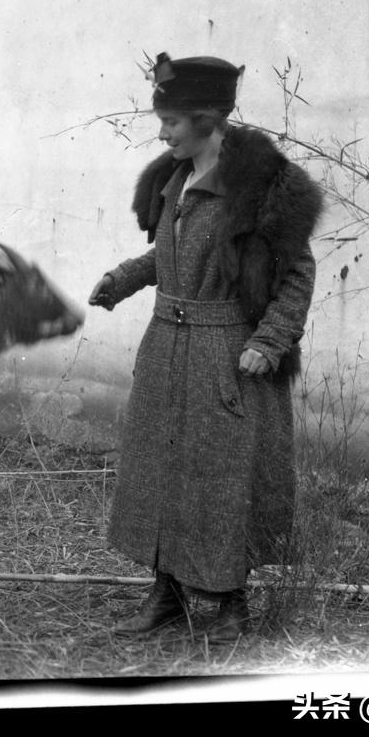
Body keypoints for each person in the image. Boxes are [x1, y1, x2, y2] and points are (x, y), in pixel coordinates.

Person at [89, 52, 323, 640]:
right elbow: (171, 254)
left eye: (171, 120)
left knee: (223, 481)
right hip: (166, 347)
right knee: (162, 471)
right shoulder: (175, 179)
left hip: (229, 358)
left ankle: (231, 606)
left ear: (207, 118)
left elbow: (296, 274)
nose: (161, 131)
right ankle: (166, 595)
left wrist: (269, 342)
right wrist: (124, 278)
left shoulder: (262, 190)